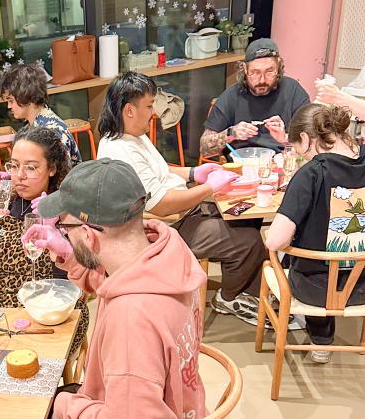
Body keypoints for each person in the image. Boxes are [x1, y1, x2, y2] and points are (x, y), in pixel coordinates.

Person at [5, 159, 207, 419]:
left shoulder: (133, 318)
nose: (64, 235)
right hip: (182, 414)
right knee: (49, 398)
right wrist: (69, 253)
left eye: (66, 229)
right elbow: (111, 281)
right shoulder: (166, 250)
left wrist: (69, 407)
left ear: (91, 234)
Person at [97, 72, 269, 326]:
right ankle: (230, 296)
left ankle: (246, 289)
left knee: (243, 215)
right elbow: (162, 206)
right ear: (129, 110)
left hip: (180, 213)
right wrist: (209, 187)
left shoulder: (133, 135)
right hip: (162, 230)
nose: (154, 112)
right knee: (248, 240)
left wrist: (192, 172)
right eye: (149, 105)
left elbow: (159, 170)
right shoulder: (119, 151)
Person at [0, 126, 88, 349]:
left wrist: (55, 232)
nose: (20, 175)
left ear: (51, 169)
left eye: (31, 168)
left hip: (44, 312)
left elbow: (76, 285)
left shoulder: (67, 210)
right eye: (14, 165)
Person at [265, 104, 365, 363]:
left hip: (316, 290)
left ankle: (320, 339)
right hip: (363, 284)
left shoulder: (312, 172)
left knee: (290, 248)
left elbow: (276, 240)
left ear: (307, 139)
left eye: (300, 151)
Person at [200, 38, 310, 157]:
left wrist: (284, 138)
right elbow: (204, 149)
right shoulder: (232, 96)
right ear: (245, 69)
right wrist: (231, 133)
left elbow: (311, 145)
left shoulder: (293, 91)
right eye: (255, 72)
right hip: (241, 166)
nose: (262, 80)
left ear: (278, 67)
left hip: (281, 162)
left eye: (269, 71)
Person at [0, 63, 81, 164]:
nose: (9, 106)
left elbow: (61, 176)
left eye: (11, 100)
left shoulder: (53, 132)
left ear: (26, 95)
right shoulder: (31, 125)